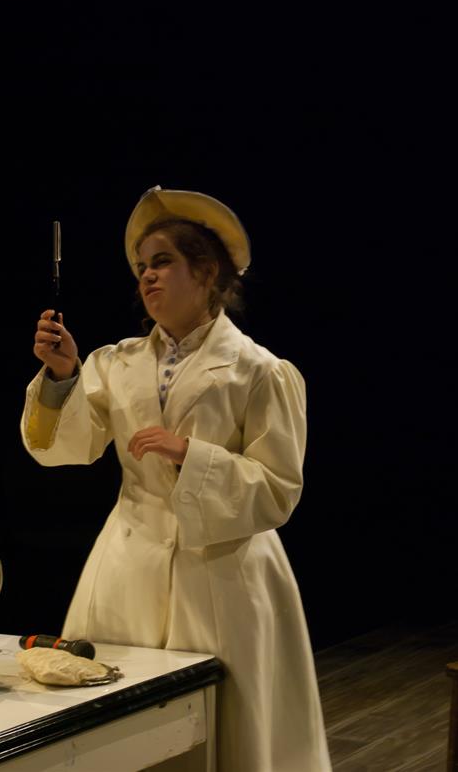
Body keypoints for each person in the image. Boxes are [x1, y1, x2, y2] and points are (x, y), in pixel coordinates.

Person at [21, 185, 332, 771]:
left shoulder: (260, 371)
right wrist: (63, 376)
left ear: (207, 271)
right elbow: (69, 447)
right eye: (142, 266)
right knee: (117, 730)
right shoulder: (116, 362)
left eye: (162, 261)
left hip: (222, 571)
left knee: (226, 732)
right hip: (128, 566)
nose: (147, 277)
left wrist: (193, 454)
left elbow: (278, 488)